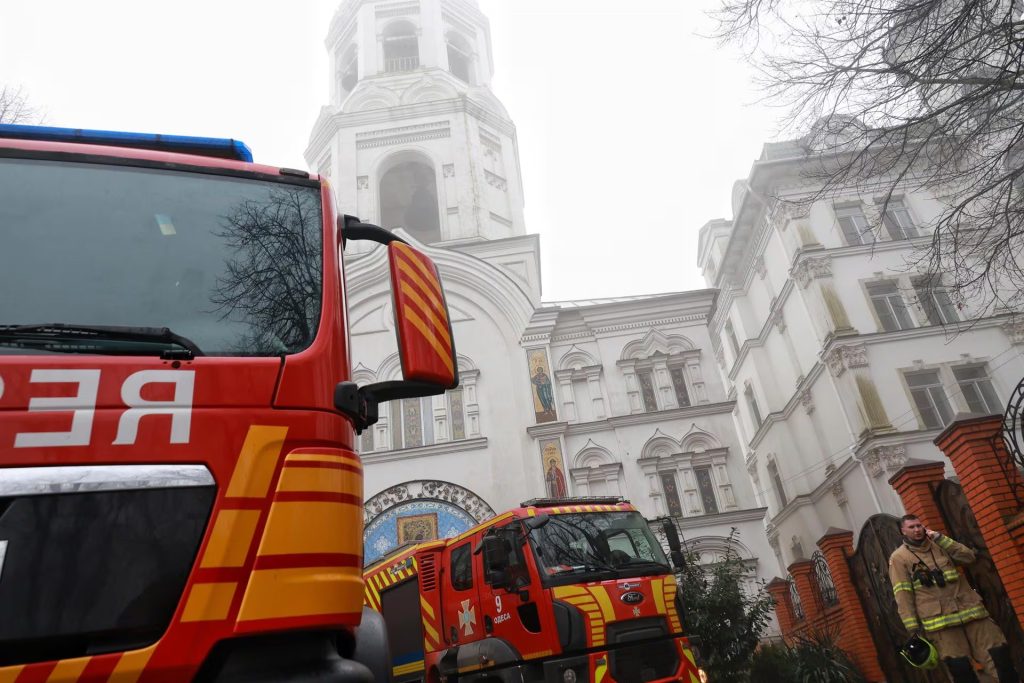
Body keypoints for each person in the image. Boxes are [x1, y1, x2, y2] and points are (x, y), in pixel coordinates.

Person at [888, 514, 1020, 682]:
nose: (917, 530)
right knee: (960, 668)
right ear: (903, 531)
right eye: (912, 527)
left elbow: (969, 557)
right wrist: (913, 627)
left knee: (999, 657)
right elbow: (903, 593)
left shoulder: (940, 545)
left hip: (971, 613)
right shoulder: (899, 558)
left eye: (919, 525)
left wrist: (941, 539)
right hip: (941, 624)